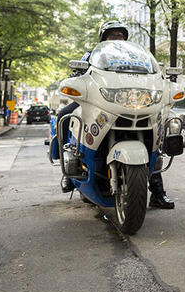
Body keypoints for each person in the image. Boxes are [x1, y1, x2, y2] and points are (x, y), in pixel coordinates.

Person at [55, 20, 175, 209]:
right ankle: (68, 173)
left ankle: (158, 193)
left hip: (135, 101)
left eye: (120, 35)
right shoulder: (94, 55)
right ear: (103, 37)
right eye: (112, 34)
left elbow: (152, 75)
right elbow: (79, 74)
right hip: (100, 101)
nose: (116, 38)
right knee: (64, 117)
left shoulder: (136, 57)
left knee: (154, 140)